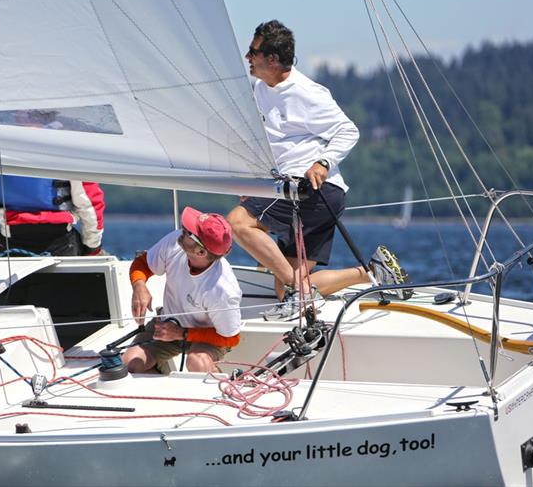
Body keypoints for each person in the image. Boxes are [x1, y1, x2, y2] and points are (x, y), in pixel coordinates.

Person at [227, 20, 411, 319]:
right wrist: (253, 184)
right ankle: (372, 272)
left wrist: (323, 163)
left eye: (253, 51)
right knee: (283, 286)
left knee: (237, 223)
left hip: (312, 191)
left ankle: (297, 292)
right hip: (301, 193)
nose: (248, 57)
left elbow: (348, 131)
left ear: (272, 59)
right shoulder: (261, 88)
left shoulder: (307, 92)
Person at [122, 207, 242, 374]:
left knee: (197, 363)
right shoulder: (175, 241)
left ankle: (220, 388)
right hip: (168, 324)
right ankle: (158, 384)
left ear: (200, 251)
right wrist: (139, 286)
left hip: (207, 335)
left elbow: (231, 338)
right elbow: (142, 263)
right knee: (131, 364)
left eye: (188, 232)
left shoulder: (223, 289)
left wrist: (182, 333)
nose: (183, 231)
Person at [0, 173, 104, 257]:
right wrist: (92, 247)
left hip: (10, 242)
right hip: (62, 242)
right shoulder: (66, 145)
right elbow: (89, 203)